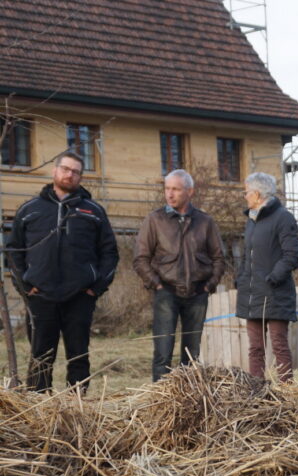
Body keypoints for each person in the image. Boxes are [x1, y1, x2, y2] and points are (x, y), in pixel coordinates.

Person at [7, 151, 118, 392]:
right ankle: (38, 410)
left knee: (79, 356)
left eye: (76, 171)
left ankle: (76, 409)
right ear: (55, 171)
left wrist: (95, 287)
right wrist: (25, 286)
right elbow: (14, 251)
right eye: (66, 169)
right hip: (40, 296)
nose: (70, 174)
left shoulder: (93, 211)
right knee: (40, 358)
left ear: (80, 177)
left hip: (79, 296)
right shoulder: (29, 210)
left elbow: (109, 253)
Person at [133, 169, 225, 381]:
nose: (170, 194)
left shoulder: (205, 221)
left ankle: (188, 402)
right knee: (162, 352)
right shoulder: (155, 220)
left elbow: (219, 258)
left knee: (191, 355)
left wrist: (209, 285)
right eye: (167, 188)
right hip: (166, 291)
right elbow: (140, 258)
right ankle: (159, 402)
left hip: (198, 293)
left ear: (189, 191)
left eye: (175, 189)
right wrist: (156, 284)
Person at [236, 172, 298, 382]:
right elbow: (248, 255)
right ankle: (256, 392)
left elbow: (292, 256)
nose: (245, 196)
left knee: (279, 345)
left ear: (256, 194)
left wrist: (273, 278)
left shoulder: (283, 218)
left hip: (275, 293)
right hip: (252, 295)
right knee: (255, 348)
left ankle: (287, 394)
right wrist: (241, 277)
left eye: (246, 192)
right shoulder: (251, 221)